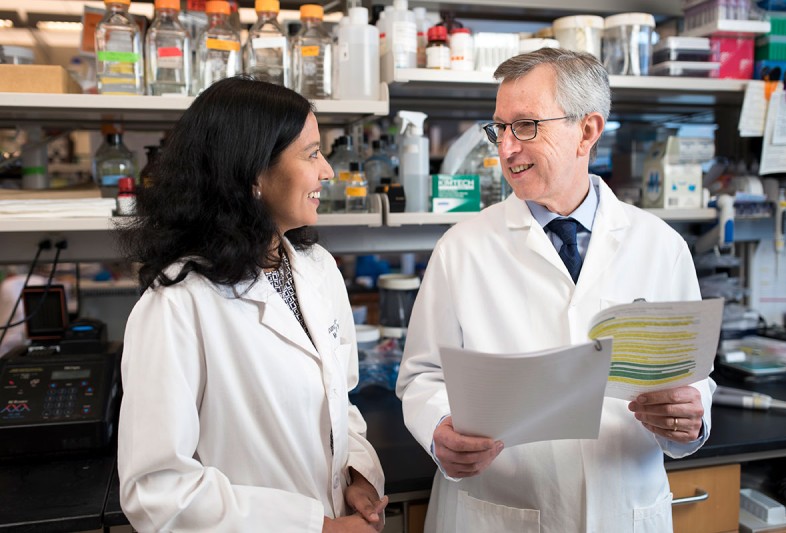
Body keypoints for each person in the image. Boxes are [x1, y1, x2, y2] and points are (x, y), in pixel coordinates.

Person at [396, 48, 715, 532]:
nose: (505, 149)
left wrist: (692, 415)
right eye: (498, 128)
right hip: (499, 507)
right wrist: (439, 429)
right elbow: (421, 376)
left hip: (624, 504)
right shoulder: (462, 248)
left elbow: (691, 376)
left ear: (586, 130)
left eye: (525, 126)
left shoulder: (661, 246)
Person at [116, 76, 387, 532]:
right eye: (311, 153)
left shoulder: (317, 269)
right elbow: (157, 491)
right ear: (254, 174)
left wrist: (355, 473)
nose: (328, 171)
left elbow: (341, 400)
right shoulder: (178, 303)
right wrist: (314, 528)